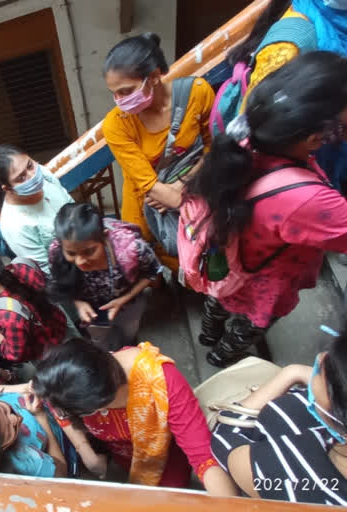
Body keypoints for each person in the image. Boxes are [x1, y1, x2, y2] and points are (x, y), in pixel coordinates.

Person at [187, 52, 347, 367]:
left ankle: (209, 335)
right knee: (250, 324)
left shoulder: (243, 137)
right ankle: (222, 356)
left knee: (218, 301)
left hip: (225, 259)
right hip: (266, 281)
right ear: (316, 137)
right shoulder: (308, 199)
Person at [31, 339, 236, 494]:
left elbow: (204, 459)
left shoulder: (161, 383)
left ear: (104, 400)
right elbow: (56, 404)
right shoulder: (65, 382)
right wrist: (85, 451)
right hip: (123, 458)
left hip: (164, 461)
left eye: (84, 412)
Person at [102, 33, 215, 271]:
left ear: (153, 77)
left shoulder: (197, 93)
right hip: (145, 198)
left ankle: (203, 284)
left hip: (197, 184)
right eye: (114, 93)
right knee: (145, 249)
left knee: (200, 246)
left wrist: (183, 185)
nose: (119, 101)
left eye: (125, 91)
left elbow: (214, 148)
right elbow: (151, 187)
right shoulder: (116, 125)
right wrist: (176, 196)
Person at [211, 329, 347, 505]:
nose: (321, 357)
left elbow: (224, 437)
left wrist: (291, 373)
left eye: (326, 370)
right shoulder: (337, 422)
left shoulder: (290, 478)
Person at [48, 203, 161, 348]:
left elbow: (152, 272)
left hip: (129, 303)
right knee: (99, 337)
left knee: (128, 332)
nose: (80, 262)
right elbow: (61, 282)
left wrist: (122, 300)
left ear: (105, 236)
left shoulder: (132, 249)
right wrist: (78, 302)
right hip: (91, 309)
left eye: (89, 252)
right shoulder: (56, 252)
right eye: (71, 254)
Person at [0, 145, 74, 274]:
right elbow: (47, 270)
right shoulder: (14, 225)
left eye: (29, 165)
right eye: (21, 178)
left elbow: (71, 204)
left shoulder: (43, 174)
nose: (32, 176)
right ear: (7, 188)